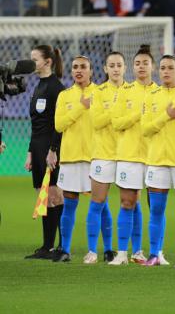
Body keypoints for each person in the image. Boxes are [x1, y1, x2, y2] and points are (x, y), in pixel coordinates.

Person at [109, 45, 159, 265]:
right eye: (137, 63)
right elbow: (116, 123)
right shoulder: (124, 91)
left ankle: (152, 252)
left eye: (145, 63)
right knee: (128, 202)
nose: (141, 67)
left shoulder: (161, 92)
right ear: (133, 67)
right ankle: (122, 253)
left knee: (155, 206)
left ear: (153, 67)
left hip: (155, 155)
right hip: (129, 154)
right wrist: (136, 116)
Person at [141, 54, 175, 266]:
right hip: (156, 160)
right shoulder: (151, 95)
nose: (166, 71)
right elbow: (145, 129)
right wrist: (166, 116)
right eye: (163, 68)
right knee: (156, 210)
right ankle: (155, 253)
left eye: (170, 68)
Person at [83, 51, 126, 264]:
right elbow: (97, 122)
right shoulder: (97, 92)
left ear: (124, 68)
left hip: (128, 154)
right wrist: (117, 111)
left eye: (119, 64)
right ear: (105, 69)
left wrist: (113, 113)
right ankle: (92, 250)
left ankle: (125, 251)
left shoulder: (133, 91)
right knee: (97, 201)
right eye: (112, 65)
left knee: (130, 204)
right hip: (103, 154)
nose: (116, 68)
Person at [24, 45, 65, 260]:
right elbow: (36, 123)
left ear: (47, 62)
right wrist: (31, 152)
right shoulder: (38, 86)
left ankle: (58, 246)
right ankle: (47, 246)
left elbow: (59, 125)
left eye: (35, 59)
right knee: (45, 196)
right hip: (38, 147)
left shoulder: (56, 88)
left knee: (55, 196)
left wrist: (53, 150)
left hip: (51, 149)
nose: (32, 63)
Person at [53, 55, 95, 262]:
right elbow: (59, 126)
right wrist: (81, 107)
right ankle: (65, 250)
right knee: (69, 204)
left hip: (95, 158)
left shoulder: (100, 93)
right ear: (71, 71)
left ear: (91, 71)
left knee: (99, 204)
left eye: (83, 67)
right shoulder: (64, 95)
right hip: (69, 157)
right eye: (75, 67)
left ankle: (98, 250)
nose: (79, 70)